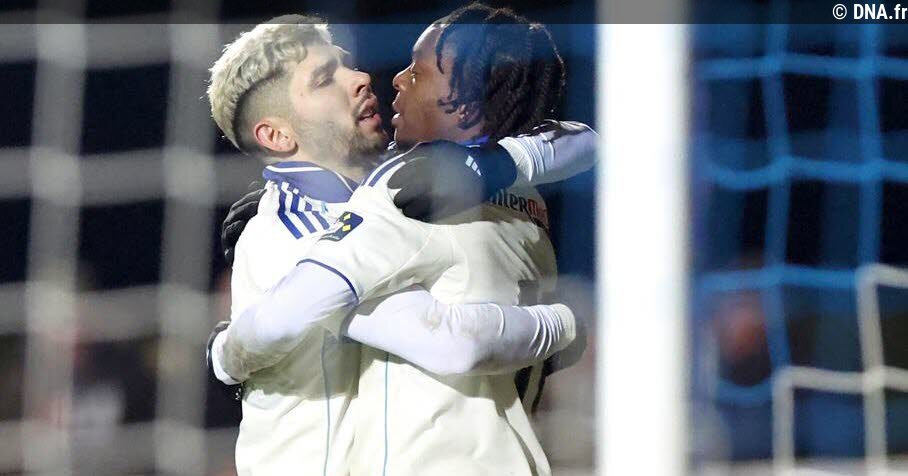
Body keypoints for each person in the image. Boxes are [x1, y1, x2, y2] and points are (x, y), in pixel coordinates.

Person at [205, 9, 596, 476]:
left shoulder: (409, 188)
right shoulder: (290, 236)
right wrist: (566, 324)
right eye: (325, 79)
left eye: (346, 63)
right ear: (276, 134)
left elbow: (584, 141)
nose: (361, 78)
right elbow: (449, 341)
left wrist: (495, 163)